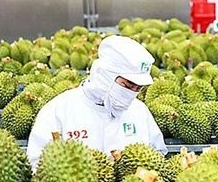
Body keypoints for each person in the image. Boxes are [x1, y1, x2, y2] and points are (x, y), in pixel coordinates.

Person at [27, 35, 167, 170]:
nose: (131, 93)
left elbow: (158, 156)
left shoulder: (140, 111)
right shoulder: (57, 111)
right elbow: (37, 165)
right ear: (105, 75)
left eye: (138, 88)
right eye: (127, 85)